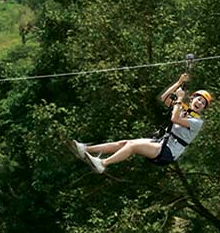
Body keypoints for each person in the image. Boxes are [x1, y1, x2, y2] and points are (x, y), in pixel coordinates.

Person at [70, 73, 212, 174]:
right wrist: (179, 83)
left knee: (132, 146)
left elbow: (174, 119)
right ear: (192, 98)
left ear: (204, 108)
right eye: (198, 99)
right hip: (162, 142)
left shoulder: (196, 122)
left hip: (169, 151)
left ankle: (103, 164)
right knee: (124, 143)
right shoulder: (183, 108)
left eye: (203, 103)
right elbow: (164, 98)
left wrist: (180, 100)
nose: (199, 103)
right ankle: (86, 150)